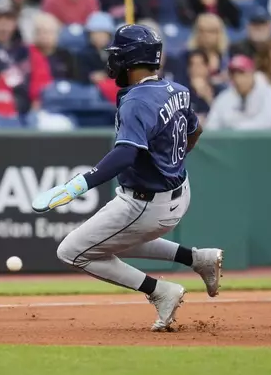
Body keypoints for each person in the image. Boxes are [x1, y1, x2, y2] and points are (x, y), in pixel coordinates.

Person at [32, 24, 223, 332]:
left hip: (146, 204)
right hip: (179, 191)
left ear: (132, 59)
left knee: (71, 252)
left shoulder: (137, 100)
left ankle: (161, 291)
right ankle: (198, 258)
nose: (113, 62)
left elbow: (124, 156)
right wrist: (170, 159)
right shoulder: (177, 89)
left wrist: (77, 186)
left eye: (118, 56)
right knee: (106, 241)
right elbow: (195, 131)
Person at [206, 54, 271, 130]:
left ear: (252, 73)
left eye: (242, 73)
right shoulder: (224, 98)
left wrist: (237, 128)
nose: (237, 79)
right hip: (232, 144)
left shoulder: (270, 94)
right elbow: (211, 126)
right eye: (233, 74)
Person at [32, 11, 78, 81]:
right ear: (35, 34)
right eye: (41, 32)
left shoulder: (66, 56)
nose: (45, 36)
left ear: (57, 35)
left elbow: (74, 82)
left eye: (49, 32)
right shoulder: (27, 54)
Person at [185, 49, 223, 121]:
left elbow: (224, 117)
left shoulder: (219, 90)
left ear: (207, 67)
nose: (195, 69)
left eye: (199, 64)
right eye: (192, 64)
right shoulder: (181, 93)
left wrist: (208, 98)